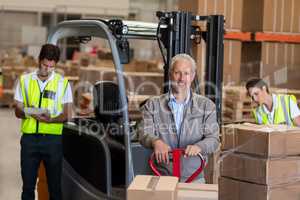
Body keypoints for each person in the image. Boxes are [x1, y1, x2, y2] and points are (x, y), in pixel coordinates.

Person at [139, 53, 219, 183]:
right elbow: (144, 133)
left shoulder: (206, 106)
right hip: (162, 176)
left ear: (192, 76)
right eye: (178, 73)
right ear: (171, 74)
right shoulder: (153, 105)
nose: (182, 78)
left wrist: (200, 147)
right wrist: (155, 141)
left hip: (194, 178)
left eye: (186, 74)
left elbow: (214, 139)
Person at [14, 44, 73, 200]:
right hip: (29, 140)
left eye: (52, 67)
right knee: (27, 188)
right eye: (45, 65)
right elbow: (17, 111)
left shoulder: (63, 83)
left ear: (56, 64)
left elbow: (67, 114)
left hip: (52, 142)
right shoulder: (25, 80)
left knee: (54, 188)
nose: (47, 69)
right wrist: (28, 111)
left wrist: (51, 119)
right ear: (39, 61)